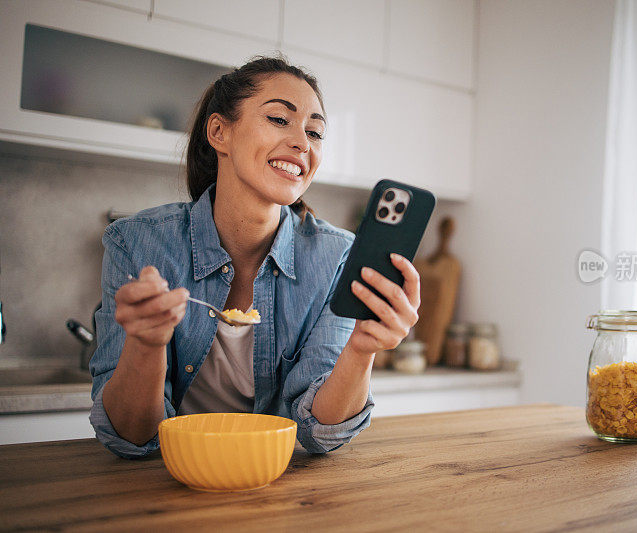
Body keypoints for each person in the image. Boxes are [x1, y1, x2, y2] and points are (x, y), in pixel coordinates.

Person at [89, 56, 421, 459]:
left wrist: (362, 348)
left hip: (273, 489)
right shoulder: (135, 243)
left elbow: (320, 432)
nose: (303, 142)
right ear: (219, 132)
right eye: (280, 119)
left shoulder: (337, 258)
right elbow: (130, 438)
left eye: (315, 131)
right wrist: (146, 344)